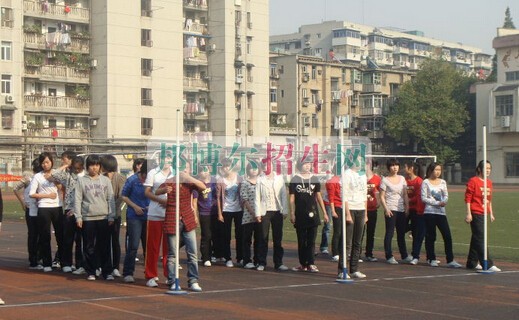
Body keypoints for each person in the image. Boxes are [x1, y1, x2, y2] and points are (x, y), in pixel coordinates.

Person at [156, 160, 206, 292]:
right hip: (173, 218)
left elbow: (203, 187)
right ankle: (172, 280)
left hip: (188, 218)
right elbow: (156, 191)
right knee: (172, 253)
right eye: (182, 168)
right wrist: (164, 190)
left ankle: (193, 280)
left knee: (192, 252)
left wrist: (188, 178)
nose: (184, 171)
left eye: (187, 168)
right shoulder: (170, 181)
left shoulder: (190, 182)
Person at [74, 155, 116, 280]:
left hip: (103, 217)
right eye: (92, 165)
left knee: (105, 245)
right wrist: (78, 217)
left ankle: (107, 271)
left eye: (97, 165)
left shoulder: (105, 181)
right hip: (88, 218)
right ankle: (91, 271)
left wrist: (111, 216)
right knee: (89, 246)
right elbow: (77, 200)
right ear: (87, 167)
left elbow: (110, 199)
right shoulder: (81, 181)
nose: (94, 168)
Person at [289, 159, 328, 272]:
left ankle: (311, 263)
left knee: (311, 240)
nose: (307, 166)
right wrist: (292, 213)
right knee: (301, 240)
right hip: (300, 214)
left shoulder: (314, 179)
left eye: (309, 164)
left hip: (313, 214)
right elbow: (292, 198)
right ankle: (303, 263)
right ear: (300, 166)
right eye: (305, 164)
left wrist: (324, 212)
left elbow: (319, 196)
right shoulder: (295, 180)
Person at [421, 162, 462, 268]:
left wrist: (444, 201)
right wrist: (437, 203)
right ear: (430, 170)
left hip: (441, 213)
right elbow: (424, 198)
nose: (438, 172)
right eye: (436, 170)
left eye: (439, 170)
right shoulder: (425, 182)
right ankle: (431, 258)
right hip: (429, 213)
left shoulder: (443, 182)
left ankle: (450, 260)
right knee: (431, 236)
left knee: (447, 236)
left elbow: (446, 195)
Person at [29, 152, 64, 273]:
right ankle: (47, 263)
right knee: (45, 236)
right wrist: (47, 195)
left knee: (60, 235)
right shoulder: (37, 176)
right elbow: (32, 193)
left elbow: (62, 188)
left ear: (52, 162)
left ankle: (63, 262)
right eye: (43, 163)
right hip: (43, 207)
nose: (45, 165)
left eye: (47, 162)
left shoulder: (56, 174)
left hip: (57, 207)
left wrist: (54, 180)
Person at [51, 155, 85, 274]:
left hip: (82, 211)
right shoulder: (68, 176)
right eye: (74, 168)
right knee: (68, 238)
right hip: (69, 210)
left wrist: (78, 209)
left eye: (79, 168)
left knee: (80, 240)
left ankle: (80, 264)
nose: (76, 170)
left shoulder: (86, 177)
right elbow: (54, 174)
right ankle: (66, 263)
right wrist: (66, 165)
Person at [464, 160, 500, 272]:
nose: (488, 170)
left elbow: (489, 199)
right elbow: (468, 198)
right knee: (481, 237)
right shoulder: (473, 181)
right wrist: (469, 213)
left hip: (484, 212)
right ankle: (488, 263)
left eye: (490, 168)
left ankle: (471, 262)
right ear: (479, 169)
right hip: (476, 213)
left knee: (476, 237)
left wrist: (491, 213)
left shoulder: (489, 182)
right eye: (486, 168)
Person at [143, 155, 173, 287]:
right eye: (163, 158)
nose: (166, 160)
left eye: (168, 158)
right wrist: (161, 200)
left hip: (171, 215)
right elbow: (147, 192)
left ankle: (170, 275)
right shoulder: (153, 173)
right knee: (153, 247)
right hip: (155, 214)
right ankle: (150, 275)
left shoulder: (176, 173)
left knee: (170, 248)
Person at [255, 160, 289, 271]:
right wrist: (257, 213)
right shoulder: (260, 179)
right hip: (265, 211)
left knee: (277, 238)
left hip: (277, 211)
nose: (266, 167)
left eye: (267, 165)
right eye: (264, 165)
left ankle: (278, 262)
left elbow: (283, 195)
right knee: (263, 237)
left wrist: (285, 210)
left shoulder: (279, 178)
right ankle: (261, 262)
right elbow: (257, 197)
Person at [121, 161, 150, 283]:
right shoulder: (132, 180)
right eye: (144, 176)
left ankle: (149, 273)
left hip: (149, 216)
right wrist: (135, 206)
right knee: (133, 245)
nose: (145, 178)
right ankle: (128, 272)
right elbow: (124, 196)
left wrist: (152, 205)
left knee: (148, 246)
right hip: (134, 216)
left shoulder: (153, 180)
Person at [380, 158, 411, 265]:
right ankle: (389, 256)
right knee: (389, 233)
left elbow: (405, 194)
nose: (395, 167)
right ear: (389, 167)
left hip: (401, 209)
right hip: (391, 209)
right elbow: (382, 196)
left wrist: (407, 207)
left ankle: (404, 255)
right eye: (393, 165)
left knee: (401, 233)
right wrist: (386, 208)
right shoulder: (385, 180)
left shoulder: (402, 178)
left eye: (396, 165)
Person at [340, 161, 368, 279]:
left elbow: (364, 193)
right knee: (347, 242)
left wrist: (366, 212)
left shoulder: (362, 175)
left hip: (361, 208)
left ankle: (354, 269)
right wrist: (347, 214)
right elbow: (344, 194)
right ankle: (342, 270)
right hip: (350, 208)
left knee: (358, 242)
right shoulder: (347, 174)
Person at [100, 155, 127, 277]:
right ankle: (103, 265)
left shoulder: (120, 178)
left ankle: (115, 266)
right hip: (101, 214)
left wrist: (112, 210)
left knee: (115, 241)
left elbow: (121, 196)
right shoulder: (100, 178)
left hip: (115, 214)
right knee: (102, 241)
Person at [14, 159, 41, 270]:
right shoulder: (28, 178)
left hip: (43, 209)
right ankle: (33, 260)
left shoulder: (46, 177)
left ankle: (41, 258)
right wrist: (23, 203)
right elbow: (15, 188)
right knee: (33, 235)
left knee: (43, 234)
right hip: (30, 209)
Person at [216, 158, 244, 267]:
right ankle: (227, 258)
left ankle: (240, 257)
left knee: (240, 234)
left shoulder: (240, 178)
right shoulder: (220, 181)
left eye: (229, 166)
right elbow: (218, 198)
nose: (227, 168)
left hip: (238, 210)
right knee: (226, 235)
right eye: (225, 166)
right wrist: (219, 213)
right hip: (226, 210)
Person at [195, 164, 218, 267]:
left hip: (214, 211)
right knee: (206, 234)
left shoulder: (214, 180)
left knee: (215, 234)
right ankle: (205, 257)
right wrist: (195, 214)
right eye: (202, 171)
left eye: (206, 170)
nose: (204, 173)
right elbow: (195, 200)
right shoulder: (197, 183)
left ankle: (213, 253)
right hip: (204, 212)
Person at [240, 162, 261, 270]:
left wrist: (259, 213)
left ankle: (258, 260)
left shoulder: (262, 182)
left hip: (260, 216)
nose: (254, 170)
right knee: (247, 239)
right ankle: (246, 260)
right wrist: (253, 213)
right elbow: (244, 199)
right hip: (249, 215)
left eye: (256, 168)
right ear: (248, 170)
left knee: (259, 239)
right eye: (251, 168)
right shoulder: (245, 183)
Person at [404, 161, 425, 265]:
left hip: (416, 210)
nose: (404, 168)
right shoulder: (405, 181)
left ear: (411, 168)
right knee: (401, 228)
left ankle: (415, 255)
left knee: (417, 234)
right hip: (406, 209)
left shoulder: (419, 181)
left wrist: (408, 200)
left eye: (406, 166)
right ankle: (404, 254)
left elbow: (418, 196)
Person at [362, 160, 381, 262]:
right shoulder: (360, 177)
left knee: (371, 232)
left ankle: (369, 253)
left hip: (372, 209)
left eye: (365, 164)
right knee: (359, 232)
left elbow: (380, 192)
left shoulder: (377, 179)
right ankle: (357, 253)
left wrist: (378, 202)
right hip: (361, 208)